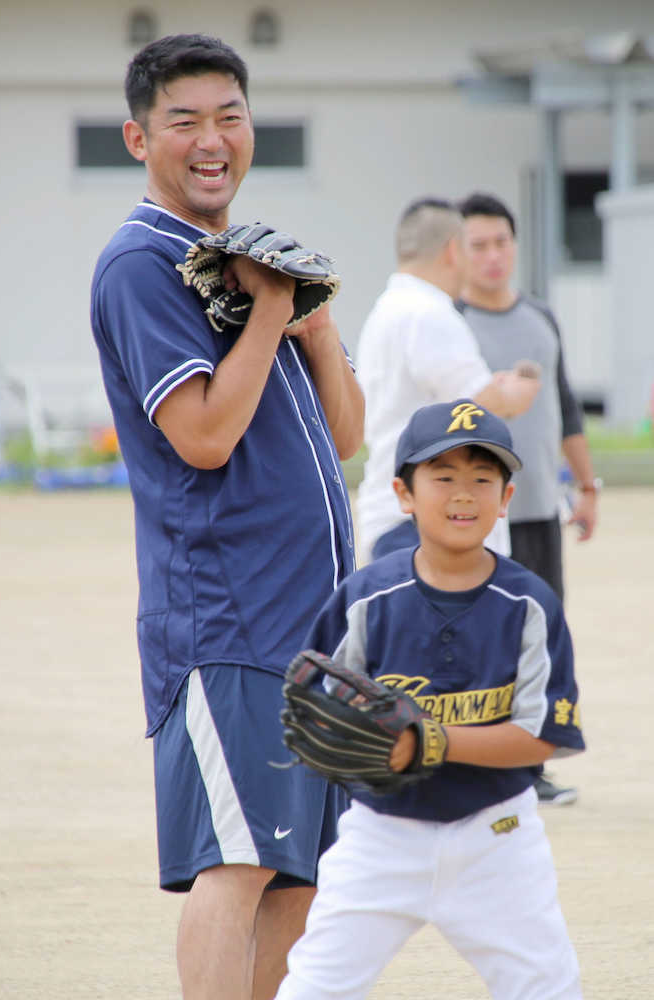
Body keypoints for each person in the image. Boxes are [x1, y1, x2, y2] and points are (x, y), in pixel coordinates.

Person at [90, 33, 364, 1000]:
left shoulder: (243, 263)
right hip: (227, 619)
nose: (212, 140)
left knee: (297, 875)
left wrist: (314, 324)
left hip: (311, 625)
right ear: (138, 138)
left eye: (230, 117)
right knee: (239, 861)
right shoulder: (143, 266)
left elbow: (343, 435)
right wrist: (263, 310)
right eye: (184, 122)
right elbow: (202, 436)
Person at [274, 399, 586, 1000]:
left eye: (482, 478)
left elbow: (545, 734)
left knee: (548, 988)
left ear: (507, 499)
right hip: (379, 834)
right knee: (316, 987)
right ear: (404, 492)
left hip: (496, 835)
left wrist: (425, 741)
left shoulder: (530, 605)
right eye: (442, 477)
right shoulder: (367, 598)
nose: (463, 495)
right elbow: (310, 701)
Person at [457, 191, 599, 805]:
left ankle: (528, 768)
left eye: (501, 243)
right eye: (479, 245)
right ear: (458, 253)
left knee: (541, 638)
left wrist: (586, 486)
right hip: (482, 520)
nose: (492, 256)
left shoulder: (540, 316)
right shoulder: (450, 323)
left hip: (541, 507)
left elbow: (565, 406)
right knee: (485, 640)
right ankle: (479, 766)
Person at [355, 197, 539, 567]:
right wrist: (518, 389)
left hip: (394, 513)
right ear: (453, 250)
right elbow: (482, 406)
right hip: (426, 522)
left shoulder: (387, 309)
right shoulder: (430, 313)